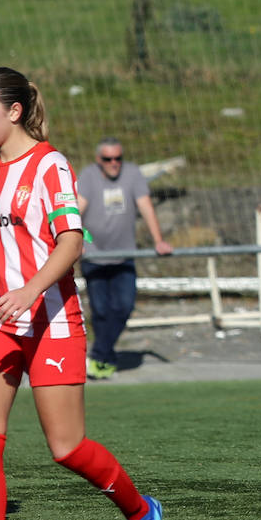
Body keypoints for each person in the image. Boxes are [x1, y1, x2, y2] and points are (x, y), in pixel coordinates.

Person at [0, 67, 164, 520]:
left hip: (52, 322)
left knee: (66, 448)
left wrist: (30, 289)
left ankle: (140, 513)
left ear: (14, 111)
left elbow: (72, 242)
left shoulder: (50, 165)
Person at [76, 138, 173, 380]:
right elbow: (77, 210)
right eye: (108, 159)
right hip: (94, 255)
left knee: (124, 306)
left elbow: (146, 207)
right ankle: (104, 361)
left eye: (118, 158)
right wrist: (75, 242)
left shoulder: (132, 174)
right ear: (99, 160)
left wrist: (158, 240)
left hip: (125, 254)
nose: (114, 164)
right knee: (100, 311)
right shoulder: (88, 176)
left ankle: (98, 355)